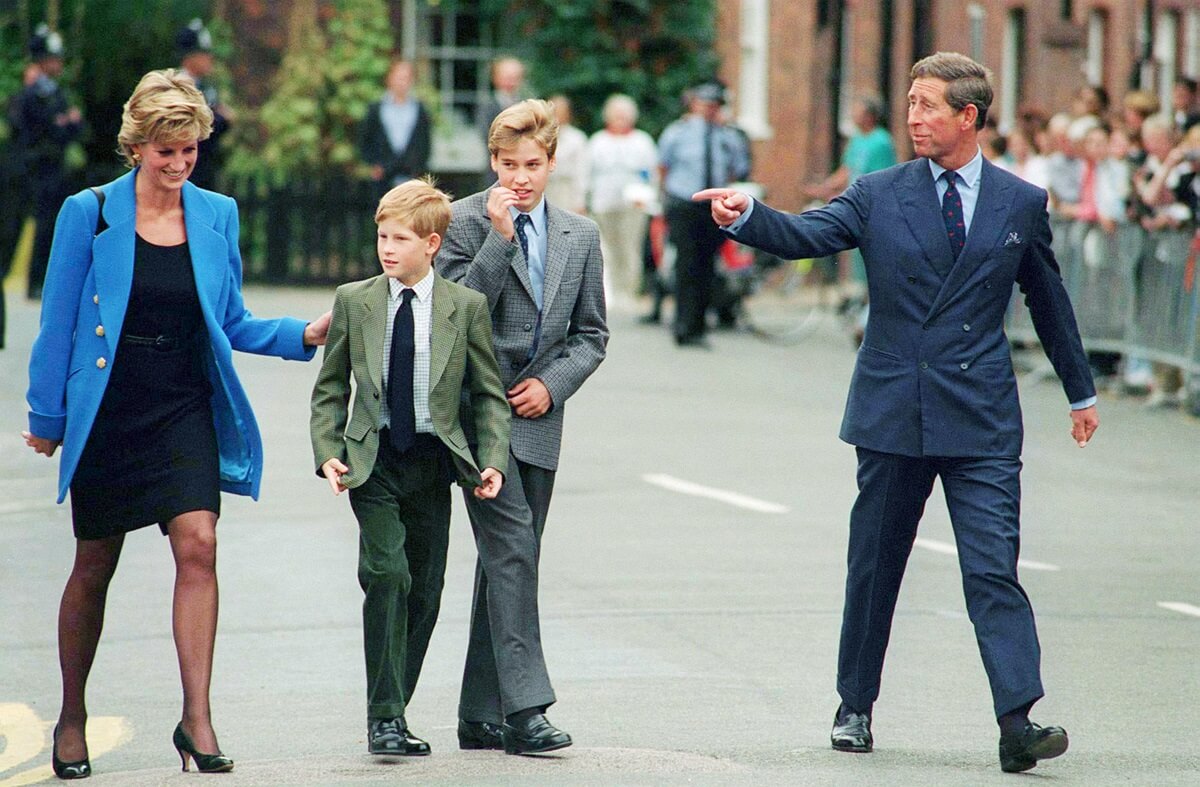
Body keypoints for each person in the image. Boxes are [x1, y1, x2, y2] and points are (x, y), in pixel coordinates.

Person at [696, 51, 1099, 774]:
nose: (914, 116)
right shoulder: (879, 192)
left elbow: (1048, 299)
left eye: (928, 105)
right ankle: (855, 704)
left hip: (981, 418)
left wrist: (1081, 391)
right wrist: (749, 215)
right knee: (876, 565)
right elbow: (810, 236)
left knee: (992, 569)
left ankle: (1018, 719)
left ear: (968, 116)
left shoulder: (1019, 202)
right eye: (910, 103)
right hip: (893, 413)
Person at [22, 69, 330, 779]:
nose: (179, 164)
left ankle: (197, 718)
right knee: (94, 566)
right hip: (111, 403)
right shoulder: (89, 212)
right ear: (138, 146)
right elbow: (59, 320)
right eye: (167, 151)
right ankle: (71, 715)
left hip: (182, 399)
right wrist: (47, 416)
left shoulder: (217, 213)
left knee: (199, 542)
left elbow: (230, 320)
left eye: (190, 150)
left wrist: (301, 334)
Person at [310, 178, 511, 757]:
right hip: (371, 462)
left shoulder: (464, 308)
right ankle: (386, 719)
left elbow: (488, 394)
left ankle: (393, 707)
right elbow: (330, 388)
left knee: (425, 592)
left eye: (400, 238)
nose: (387, 248)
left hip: (433, 463)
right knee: (387, 575)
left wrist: (491, 459)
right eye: (381, 237)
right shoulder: (355, 300)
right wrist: (328, 448)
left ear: (432, 244)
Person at [439, 99, 608, 755]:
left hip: (539, 419)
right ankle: (526, 711)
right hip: (476, 417)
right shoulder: (459, 222)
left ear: (551, 163)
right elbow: (454, 313)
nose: (519, 178)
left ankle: (479, 711)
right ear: (492, 161)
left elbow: (591, 336)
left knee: (508, 557)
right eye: (507, 164)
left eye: (531, 165)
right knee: (514, 550)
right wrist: (498, 237)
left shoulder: (580, 235)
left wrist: (551, 383)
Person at [658, 81, 750, 346]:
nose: (711, 110)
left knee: (707, 266)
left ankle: (699, 326)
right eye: (706, 104)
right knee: (685, 265)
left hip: (713, 207)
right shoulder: (678, 133)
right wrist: (668, 197)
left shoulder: (727, 137)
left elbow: (736, 168)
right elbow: (664, 166)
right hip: (684, 204)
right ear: (695, 104)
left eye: (716, 105)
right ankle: (682, 325)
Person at [14, 24, 83, 300]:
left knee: (53, 225)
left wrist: (66, 124)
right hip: (37, 167)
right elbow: (41, 129)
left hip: (55, 167)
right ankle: (33, 281)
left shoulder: (55, 92)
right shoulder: (33, 94)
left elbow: (73, 128)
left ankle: (44, 280)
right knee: (39, 224)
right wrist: (63, 124)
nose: (58, 64)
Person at [586, 93, 659, 304]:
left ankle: (630, 290)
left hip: (633, 204)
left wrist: (647, 197)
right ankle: (612, 291)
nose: (620, 120)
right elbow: (588, 173)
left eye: (624, 115)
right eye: (616, 115)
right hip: (603, 202)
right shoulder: (598, 141)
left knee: (631, 247)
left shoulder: (642, 141)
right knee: (607, 248)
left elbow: (651, 174)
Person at [358, 59, 433, 197]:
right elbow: (365, 139)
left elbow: (425, 142)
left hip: (410, 175)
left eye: (406, 78)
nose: (402, 83)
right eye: (398, 77)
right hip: (383, 176)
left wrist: (418, 169)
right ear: (389, 79)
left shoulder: (420, 109)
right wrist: (375, 165)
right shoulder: (376, 109)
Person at [803, 96, 897, 201]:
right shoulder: (856, 138)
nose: (854, 115)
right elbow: (847, 170)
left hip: (872, 200)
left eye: (858, 112)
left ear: (869, 116)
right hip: (856, 198)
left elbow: (882, 179)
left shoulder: (881, 141)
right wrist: (824, 188)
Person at [177, 19, 233, 191]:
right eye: (204, 54)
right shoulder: (178, 86)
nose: (210, 59)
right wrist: (221, 118)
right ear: (189, 57)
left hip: (205, 168)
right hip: (186, 172)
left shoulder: (206, 86)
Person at [544, 94, 589, 215]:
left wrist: (580, 201)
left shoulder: (577, 138)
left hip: (567, 190)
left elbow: (581, 171)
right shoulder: (540, 136)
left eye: (560, 111)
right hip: (546, 188)